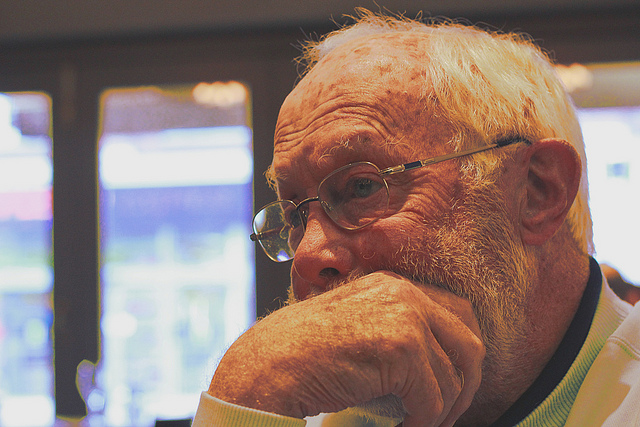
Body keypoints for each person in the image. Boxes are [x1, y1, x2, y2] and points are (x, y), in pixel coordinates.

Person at [193, 10, 640, 427]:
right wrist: (251, 392)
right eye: (293, 216)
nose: (306, 257)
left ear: (539, 192)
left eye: (362, 187)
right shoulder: (343, 410)